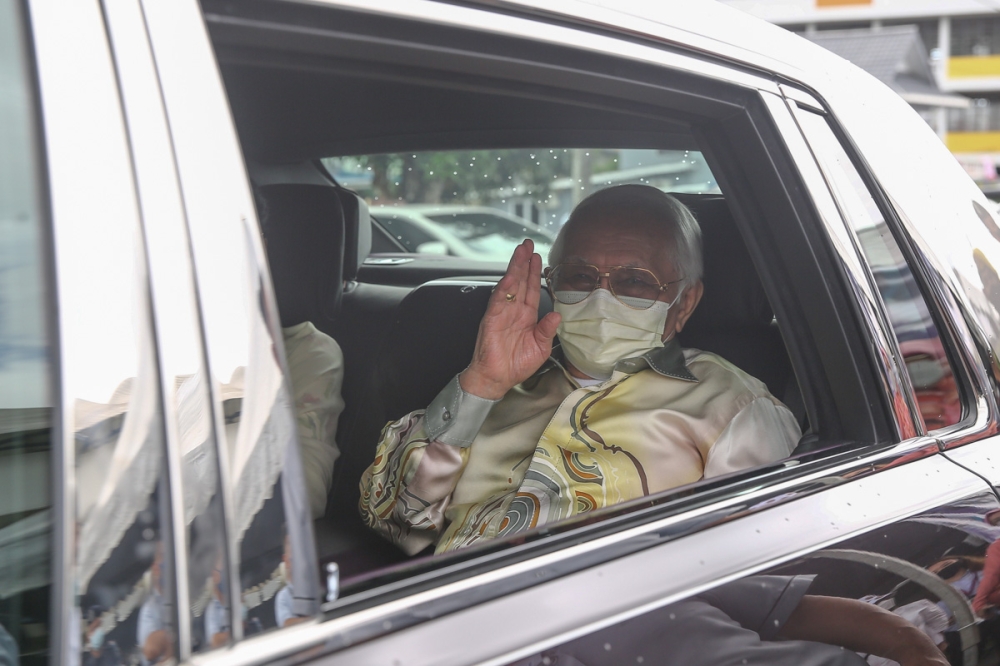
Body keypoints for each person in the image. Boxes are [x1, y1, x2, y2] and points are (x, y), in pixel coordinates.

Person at [360, 185, 801, 554]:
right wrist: (482, 384)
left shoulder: (733, 406)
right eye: (579, 276)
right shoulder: (500, 384)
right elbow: (396, 523)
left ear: (684, 303)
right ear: (552, 281)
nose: (600, 299)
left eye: (635, 281)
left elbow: (749, 564)